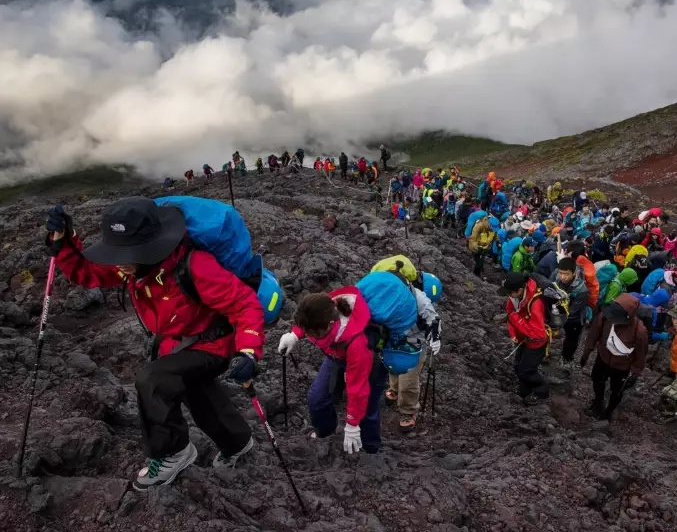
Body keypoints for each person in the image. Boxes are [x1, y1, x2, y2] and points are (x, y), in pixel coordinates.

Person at [46, 199, 264, 490]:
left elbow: (243, 303)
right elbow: (87, 273)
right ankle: (237, 442)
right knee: (193, 389)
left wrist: (249, 350)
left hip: (213, 345)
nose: (118, 260)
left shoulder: (195, 266)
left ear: (149, 248)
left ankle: (173, 452)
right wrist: (63, 243)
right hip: (178, 344)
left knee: (153, 379)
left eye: (126, 252)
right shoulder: (133, 265)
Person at [278, 289, 386, 454]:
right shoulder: (323, 309)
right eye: (306, 331)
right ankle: (325, 432)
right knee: (317, 398)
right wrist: (294, 335)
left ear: (329, 325)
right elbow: (309, 318)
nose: (309, 336)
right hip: (336, 355)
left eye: (312, 333)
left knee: (366, 409)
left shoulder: (357, 343)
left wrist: (352, 423)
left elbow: (357, 389)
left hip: (363, 360)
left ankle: (370, 449)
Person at [385, 273, 443, 431]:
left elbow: (434, 320)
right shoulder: (395, 296)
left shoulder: (420, 302)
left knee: (408, 381)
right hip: (394, 342)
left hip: (414, 347)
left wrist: (435, 338)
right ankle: (394, 390)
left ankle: (408, 411)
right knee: (393, 370)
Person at [579, 294, 647, 421]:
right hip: (603, 357)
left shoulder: (639, 330)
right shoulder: (605, 317)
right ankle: (598, 402)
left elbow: (641, 353)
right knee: (597, 379)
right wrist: (586, 352)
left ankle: (608, 411)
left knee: (617, 390)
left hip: (622, 366)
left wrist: (636, 373)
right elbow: (594, 334)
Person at [500, 273, 550, 405]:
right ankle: (525, 390)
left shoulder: (535, 304)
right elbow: (510, 312)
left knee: (526, 370)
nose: (508, 296)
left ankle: (542, 391)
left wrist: (515, 318)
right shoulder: (514, 297)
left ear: (520, 290)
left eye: (510, 293)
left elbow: (538, 334)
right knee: (518, 366)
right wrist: (513, 334)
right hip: (523, 338)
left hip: (536, 343)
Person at [550, 257, 589, 366]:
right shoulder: (556, 276)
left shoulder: (582, 290)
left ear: (574, 272)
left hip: (575, 319)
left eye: (566, 274)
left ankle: (567, 358)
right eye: (561, 273)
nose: (563, 277)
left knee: (571, 340)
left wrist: (555, 317)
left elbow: (572, 312)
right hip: (560, 311)